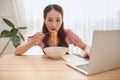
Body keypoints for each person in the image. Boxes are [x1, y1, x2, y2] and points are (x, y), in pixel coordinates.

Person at [15, 4, 90, 58]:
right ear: (45, 20)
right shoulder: (40, 35)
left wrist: (87, 51)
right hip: (46, 68)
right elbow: (17, 52)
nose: (54, 24)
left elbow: (85, 46)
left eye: (58, 20)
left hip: (66, 66)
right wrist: (32, 43)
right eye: (50, 20)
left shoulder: (68, 33)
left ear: (62, 21)